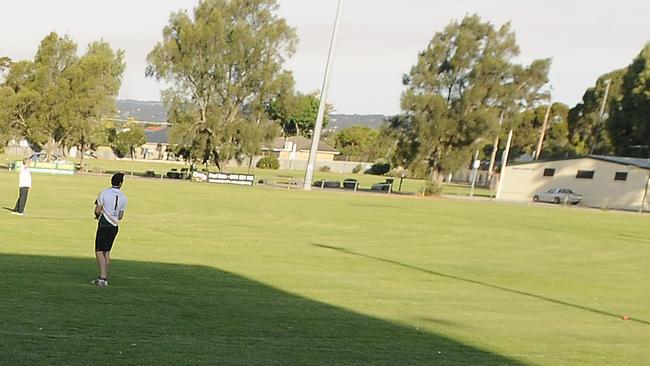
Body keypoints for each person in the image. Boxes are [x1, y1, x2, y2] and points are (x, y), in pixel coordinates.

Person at [92, 173, 128, 288]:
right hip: (114, 226)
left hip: (104, 224)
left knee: (99, 251)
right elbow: (121, 215)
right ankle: (105, 277)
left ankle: (102, 278)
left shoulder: (104, 193)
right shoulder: (123, 197)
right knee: (107, 251)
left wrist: (98, 215)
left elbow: (97, 210)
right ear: (121, 183)